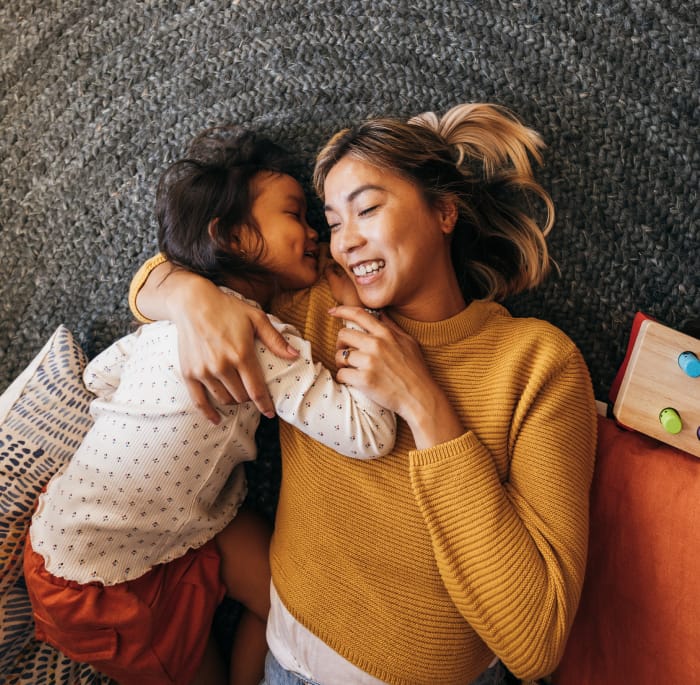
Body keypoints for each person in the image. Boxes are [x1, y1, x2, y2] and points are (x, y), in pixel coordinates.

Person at [130, 103, 598, 685]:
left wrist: (426, 407)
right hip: (279, 659)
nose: (345, 242)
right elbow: (182, 263)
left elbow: (537, 642)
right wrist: (190, 300)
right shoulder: (309, 306)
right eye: (331, 223)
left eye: (368, 209)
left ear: (444, 211)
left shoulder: (536, 362)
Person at [23, 126, 396, 685]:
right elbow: (370, 434)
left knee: (289, 598)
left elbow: (101, 378)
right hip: (95, 585)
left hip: (100, 527)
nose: (317, 233)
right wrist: (361, 318)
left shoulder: (169, 321)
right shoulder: (267, 341)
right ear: (234, 238)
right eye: (296, 214)